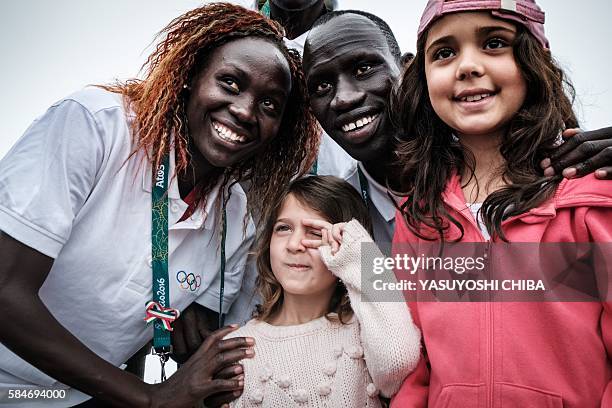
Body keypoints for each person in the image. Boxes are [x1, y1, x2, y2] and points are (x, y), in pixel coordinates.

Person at [0, 3, 319, 407]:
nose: (244, 111)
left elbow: (190, 337)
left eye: (270, 105)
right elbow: (4, 289)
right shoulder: (98, 126)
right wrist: (148, 398)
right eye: (230, 84)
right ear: (189, 78)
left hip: (83, 397)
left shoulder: (237, 216)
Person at [390, 0, 611, 405]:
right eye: (444, 52)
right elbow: (411, 362)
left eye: (494, 43)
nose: (467, 66)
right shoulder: (415, 219)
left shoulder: (594, 202)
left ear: (533, 62)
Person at [302, 9, 612, 245]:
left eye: (364, 68)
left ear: (409, 68)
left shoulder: (550, 173)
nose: (344, 98)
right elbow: (387, 305)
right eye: (321, 86)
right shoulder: (332, 213)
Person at [224, 175, 420, 407]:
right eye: (284, 228)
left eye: (316, 233)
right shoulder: (238, 346)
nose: (295, 244)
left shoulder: (366, 331)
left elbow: (398, 362)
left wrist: (363, 258)